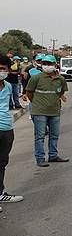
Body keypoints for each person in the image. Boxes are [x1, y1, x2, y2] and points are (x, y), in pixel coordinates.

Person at [25, 54, 70, 167]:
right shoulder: (36, 78)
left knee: (54, 135)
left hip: (54, 111)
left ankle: (53, 155)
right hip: (39, 112)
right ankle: (40, 158)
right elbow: (29, 93)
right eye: (44, 64)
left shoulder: (61, 79)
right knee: (39, 137)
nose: (47, 66)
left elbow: (61, 92)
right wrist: (37, 103)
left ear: (55, 65)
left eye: (49, 64)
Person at [0, 55, 24, 212]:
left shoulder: (8, 86)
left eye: (3, 69)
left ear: (8, 71)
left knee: (2, 163)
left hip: (6, 128)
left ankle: (1, 193)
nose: (0, 71)